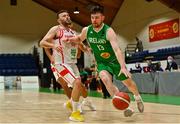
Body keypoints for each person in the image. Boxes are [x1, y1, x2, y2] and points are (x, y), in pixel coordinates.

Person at [67, 5, 144, 117]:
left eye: (97, 17)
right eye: (92, 17)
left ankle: (138, 98)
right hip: (102, 63)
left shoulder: (108, 31)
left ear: (103, 17)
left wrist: (122, 67)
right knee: (105, 79)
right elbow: (79, 39)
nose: (94, 20)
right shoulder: (87, 30)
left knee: (129, 84)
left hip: (114, 62)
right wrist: (72, 39)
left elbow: (117, 50)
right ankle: (125, 107)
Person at [40, 10, 95, 122]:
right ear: (59, 20)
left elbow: (81, 47)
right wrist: (53, 46)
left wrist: (87, 50)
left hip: (72, 64)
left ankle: (74, 102)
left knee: (79, 86)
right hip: (60, 64)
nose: (67, 17)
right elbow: (42, 43)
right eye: (64, 16)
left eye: (68, 15)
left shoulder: (74, 33)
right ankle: (75, 112)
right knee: (74, 83)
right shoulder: (56, 29)